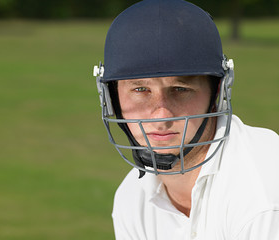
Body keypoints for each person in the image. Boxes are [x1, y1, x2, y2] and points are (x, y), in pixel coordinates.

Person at [93, 0, 279, 239]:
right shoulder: (132, 198)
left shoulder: (263, 197)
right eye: (140, 90)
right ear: (111, 96)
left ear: (218, 92)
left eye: (180, 89)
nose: (161, 115)